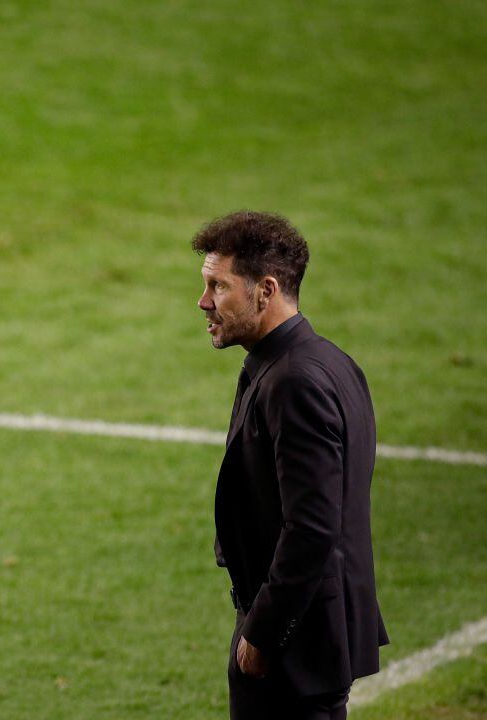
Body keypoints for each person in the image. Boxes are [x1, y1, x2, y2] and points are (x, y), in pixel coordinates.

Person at [192, 211, 389, 720]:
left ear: (266, 289)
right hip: (302, 629)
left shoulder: (294, 381)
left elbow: (313, 526)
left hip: (293, 641)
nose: (204, 302)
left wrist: (263, 630)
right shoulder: (320, 360)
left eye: (219, 286)